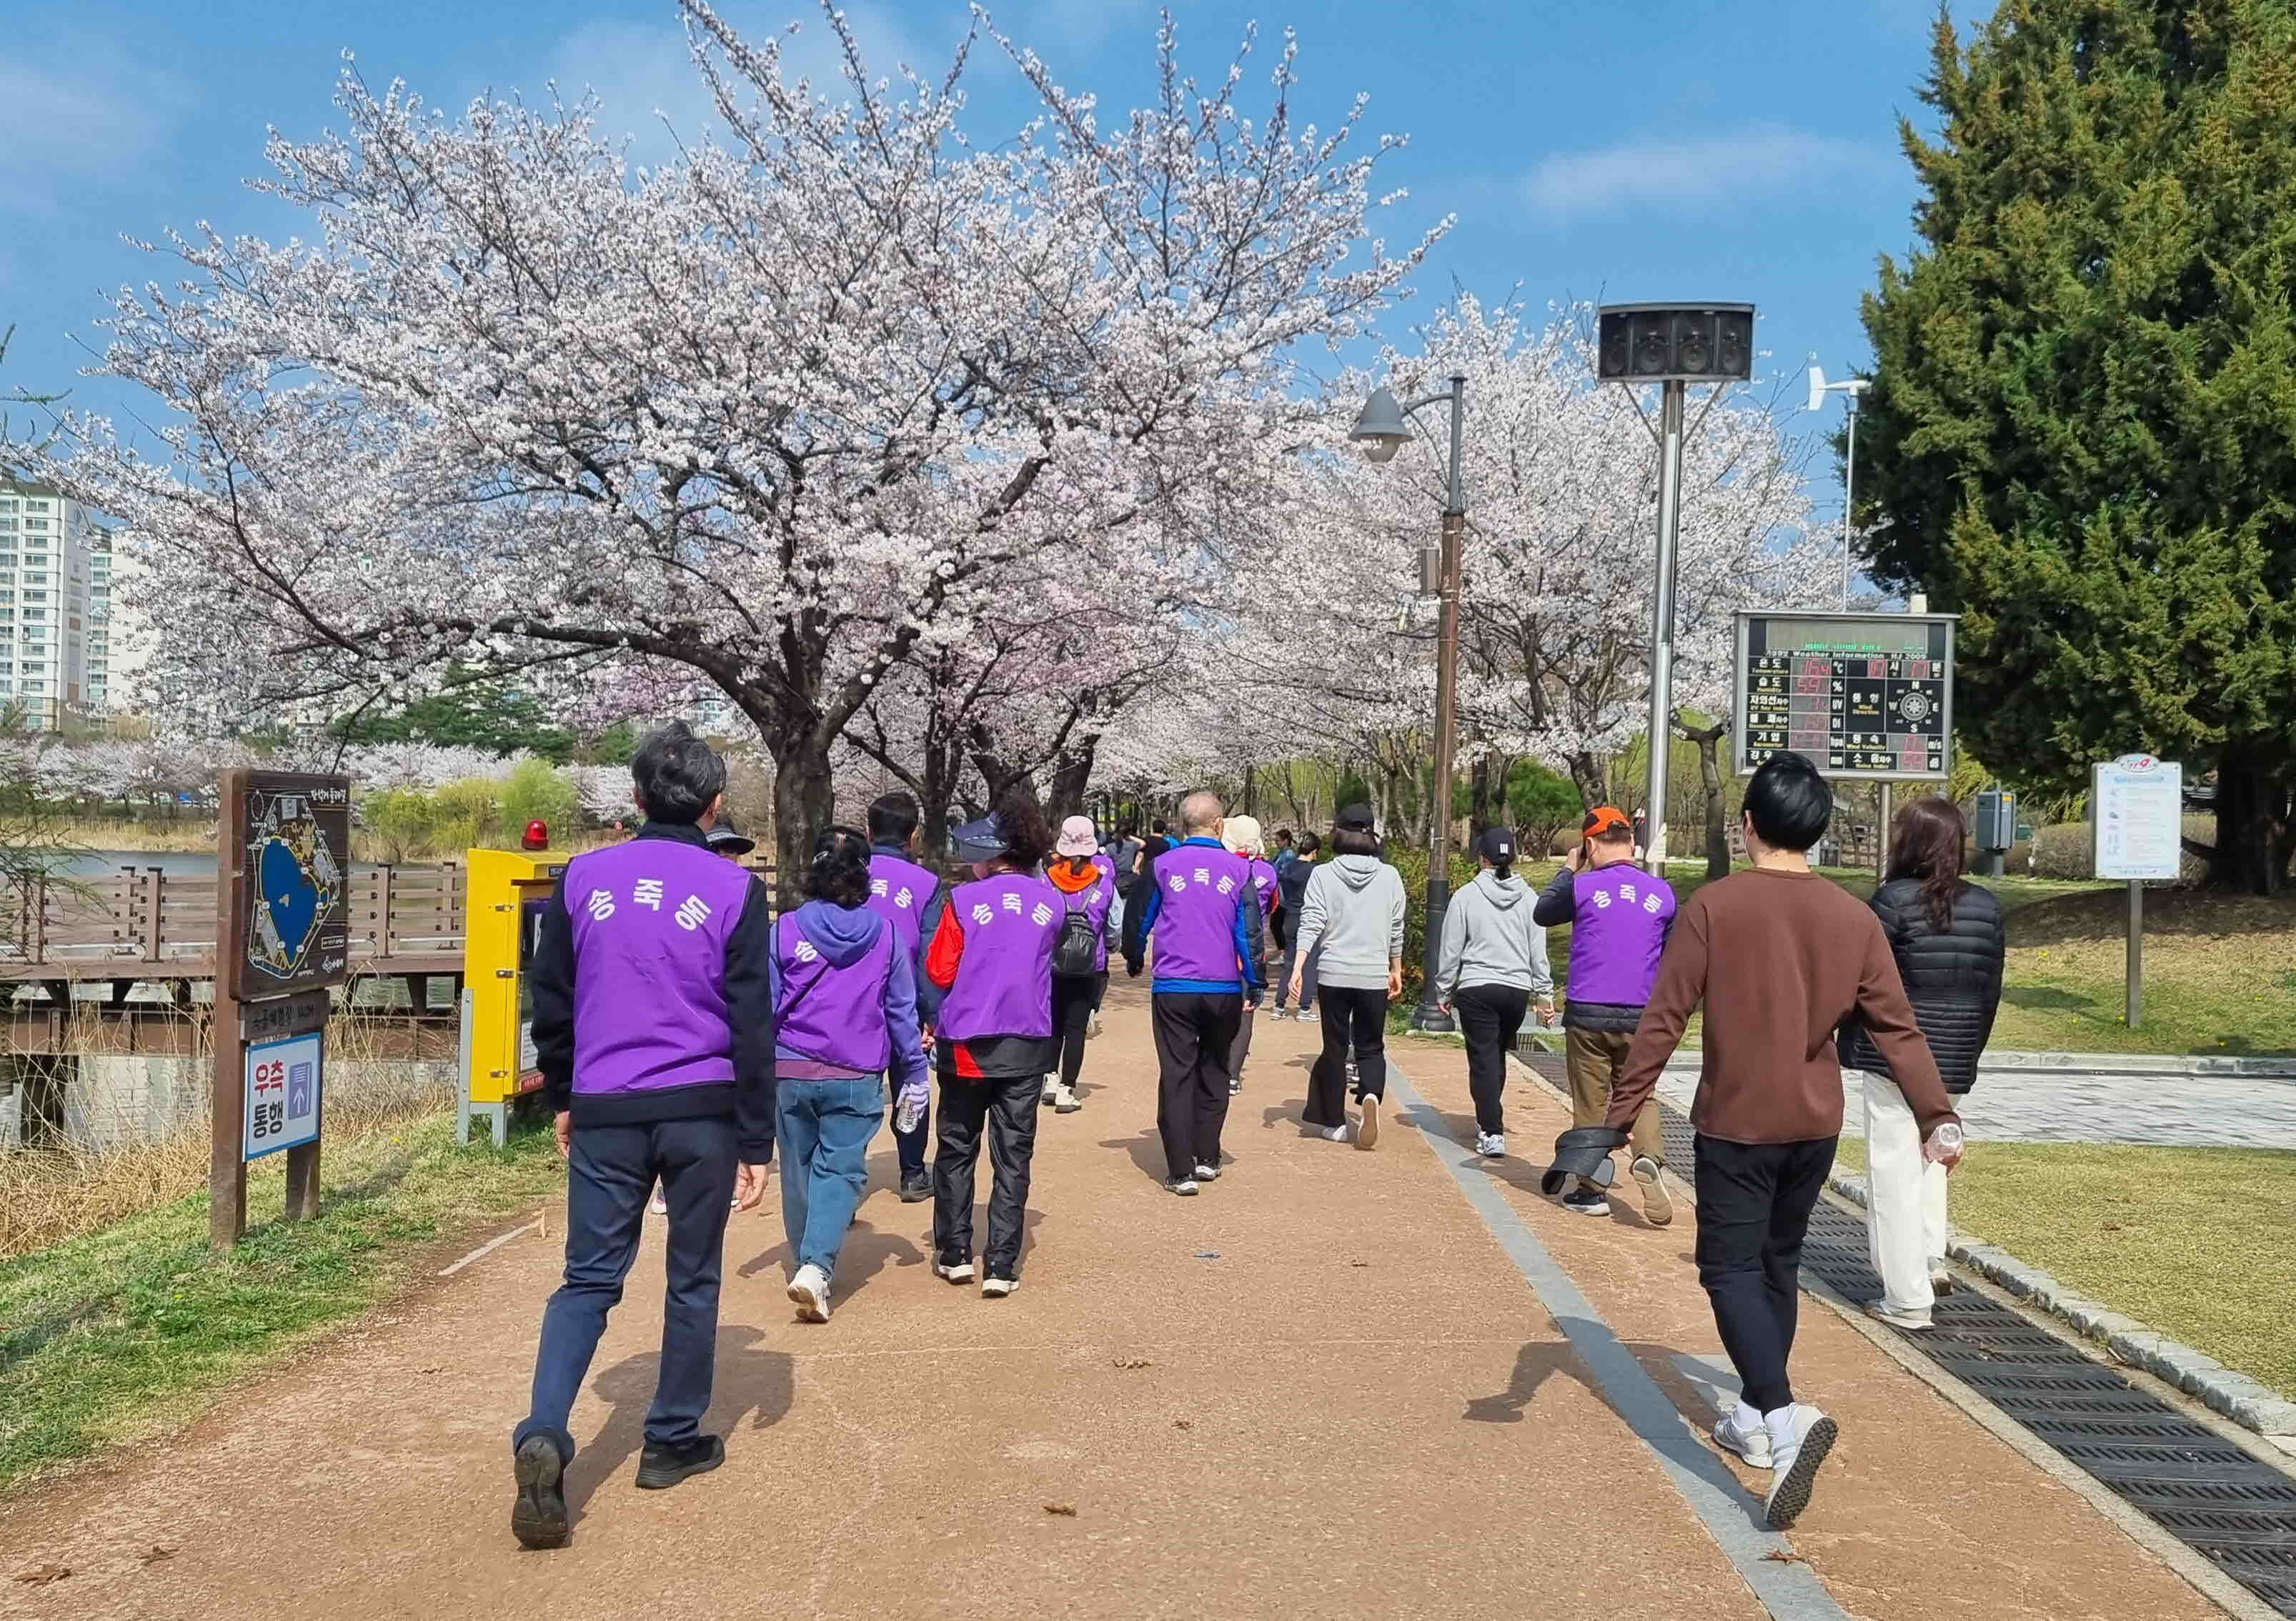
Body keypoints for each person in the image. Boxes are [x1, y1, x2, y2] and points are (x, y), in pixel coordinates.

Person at [1604, 750, 1960, 1532]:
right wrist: (1938, 1115)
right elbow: (1896, 1028)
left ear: (1749, 824)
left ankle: (1781, 1411)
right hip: (1815, 1124)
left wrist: (1616, 1114)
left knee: (1726, 1269)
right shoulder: (1854, 917)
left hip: (1738, 1120)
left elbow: (1663, 1019)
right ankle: (1760, 1427)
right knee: (1776, 1266)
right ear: (1820, 832)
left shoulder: (1714, 908)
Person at [511, 722, 774, 1550]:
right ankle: (669, 1442)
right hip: (700, 1113)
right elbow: (751, 1022)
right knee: (691, 1279)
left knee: (587, 1281)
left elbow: (549, 999)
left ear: (633, 798)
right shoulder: (734, 888)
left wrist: (564, 1093)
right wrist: (756, 1142)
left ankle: (545, 1431)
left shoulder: (583, 879)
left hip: (607, 1110)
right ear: (716, 803)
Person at [1839, 796, 2003, 1331]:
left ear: (1907, 842)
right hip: (1956, 1053)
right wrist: (1968, 1052)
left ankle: (1905, 1297)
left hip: (1895, 1056)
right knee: (1932, 1159)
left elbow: (1863, 985)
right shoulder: (1984, 905)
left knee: (1892, 1174)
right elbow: (1989, 989)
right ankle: (1930, 1259)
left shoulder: (1890, 902)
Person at [772, 827, 929, 1325]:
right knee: (839, 1170)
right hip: (856, 1070)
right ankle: (816, 1267)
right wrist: (915, 1075)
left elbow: (764, 1007)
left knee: (797, 1171)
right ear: (866, 875)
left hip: (790, 1066)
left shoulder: (782, 930)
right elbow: (902, 1011)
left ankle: (807, 1261)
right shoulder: (885, 935)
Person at [923, 790, 1062, 1296]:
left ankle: (954, 1253)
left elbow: (939, 968)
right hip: (1027, 1040)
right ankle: (1002, 1265)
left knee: (957, 1147)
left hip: (965, 1042)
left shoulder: (960, 900)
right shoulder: (1051, 902)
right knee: (1014, 1154)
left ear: (991, 855)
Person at [1533, 805, 1678, 1222]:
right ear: (1633, 845)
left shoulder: (1584, 887)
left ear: (1590, 845)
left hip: (1589, 1012)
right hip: (1641, 1014)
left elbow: (1543, 912)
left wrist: (1567, 869)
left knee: (1591, 1100)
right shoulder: (1662, 894)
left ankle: (1591, 1188)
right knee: (1641, 1093)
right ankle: (1648, 1157)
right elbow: (1671, 952)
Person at [1121, 790, 1267, 1194]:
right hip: (1222, 987)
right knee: (1215, 1068)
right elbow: (1248, 933)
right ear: (1219, 824)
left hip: (1174, 987)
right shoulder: (1239, 871)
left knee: (1177, 1071)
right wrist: (1255, 981)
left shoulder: (1163, 865)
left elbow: (1139, 916)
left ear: (1183, 824)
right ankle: (1208, 1155)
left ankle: (1180, 1169)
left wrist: (1133, 956)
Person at [1288, 803, 1405, 1151]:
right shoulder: (1390, 877)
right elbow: (1396, 927)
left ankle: (1336, 1123)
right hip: (1372, 975)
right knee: (1371, 1047)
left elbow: (1311, 920)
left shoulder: (1323, 874)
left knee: (1335, 1048)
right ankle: (1370, 1095)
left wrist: (1298, 965)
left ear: (1338, 831)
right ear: (1372, 833)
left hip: (1334, 973)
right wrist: (1395, 967)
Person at [1436, 826, 1554, 1158]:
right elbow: (1537, 952)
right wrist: (1544, 995)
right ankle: (1489, 1117)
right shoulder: (1530, 897)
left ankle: (1491, 1129)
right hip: (1516, 991)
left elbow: (1451, 948)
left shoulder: (1466, 896)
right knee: (1495, 1054)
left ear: (1481, 858)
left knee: (1483, 1058)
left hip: (1477, 988)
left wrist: (1443, 990)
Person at [865, 791, 947, 1204]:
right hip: (904, 1004)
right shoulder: (927, 883)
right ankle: (913, 1173)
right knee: (910, 1084)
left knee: (857, 1088)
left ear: (868, 831)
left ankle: (843, 1178)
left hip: (852, 1005)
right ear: (912, 836)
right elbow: (929, 954)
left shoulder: (848, 872)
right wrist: (932, 1013)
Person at [1043, 814, 1117, 1114]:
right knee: (1076, 1027)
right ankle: (1067, 1088)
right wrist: (1109, 945)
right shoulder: (1103, 881)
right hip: (1090, 963)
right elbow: (1115, 924)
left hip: (1052, 962)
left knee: (1052, 1024)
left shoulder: (1046, 880)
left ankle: (1048, 1078)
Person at [1220, 814, 1282, 1097]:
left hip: (1219, 948)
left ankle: (1215, 1067)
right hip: (1252, 952)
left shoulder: (1221, 866)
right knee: (1246, 1014)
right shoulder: (1268, 872)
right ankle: (1233, 1075)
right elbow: (1271, 908)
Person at [1272, 832, 1321, 1020]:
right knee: (1309, 963)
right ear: (1314, 852)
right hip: (1308, 919)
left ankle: (1279, 1006)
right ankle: (1305, 1008)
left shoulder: (1287, 867)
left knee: (1289, 963)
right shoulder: (1314, 871)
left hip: (1289, 917)